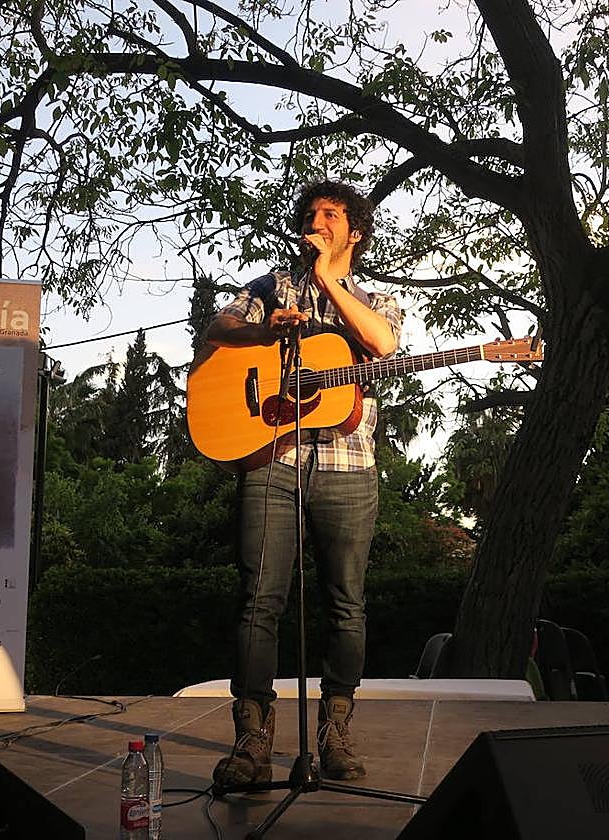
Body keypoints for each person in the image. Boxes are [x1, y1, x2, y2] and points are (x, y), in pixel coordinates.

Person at [204, 180, 403, 785]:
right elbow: (219, 329)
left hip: (349, 465)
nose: (318, 221)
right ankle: (252, 742)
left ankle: (335, 733)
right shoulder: (270, 289)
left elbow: (382, 344)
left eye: (332, 215)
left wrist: (332, 283)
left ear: (355, 232)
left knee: (346, 605)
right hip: (270, 458)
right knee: (259, 599)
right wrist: (265, 333)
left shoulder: (377, 297)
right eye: (312, 214)